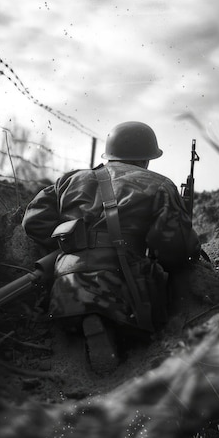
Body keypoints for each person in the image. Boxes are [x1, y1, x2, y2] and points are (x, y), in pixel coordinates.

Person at [22, 121, 201, 374]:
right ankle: (114, 334)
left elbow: (34, 220)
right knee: (155, 308)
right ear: (148, 158)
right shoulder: (160, 185)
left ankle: (88, 325)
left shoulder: (70, 180)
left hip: (65, 291)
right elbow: (175, 246)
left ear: (109, 153)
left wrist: (75, 242)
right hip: (127, 292)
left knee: (83, 309)